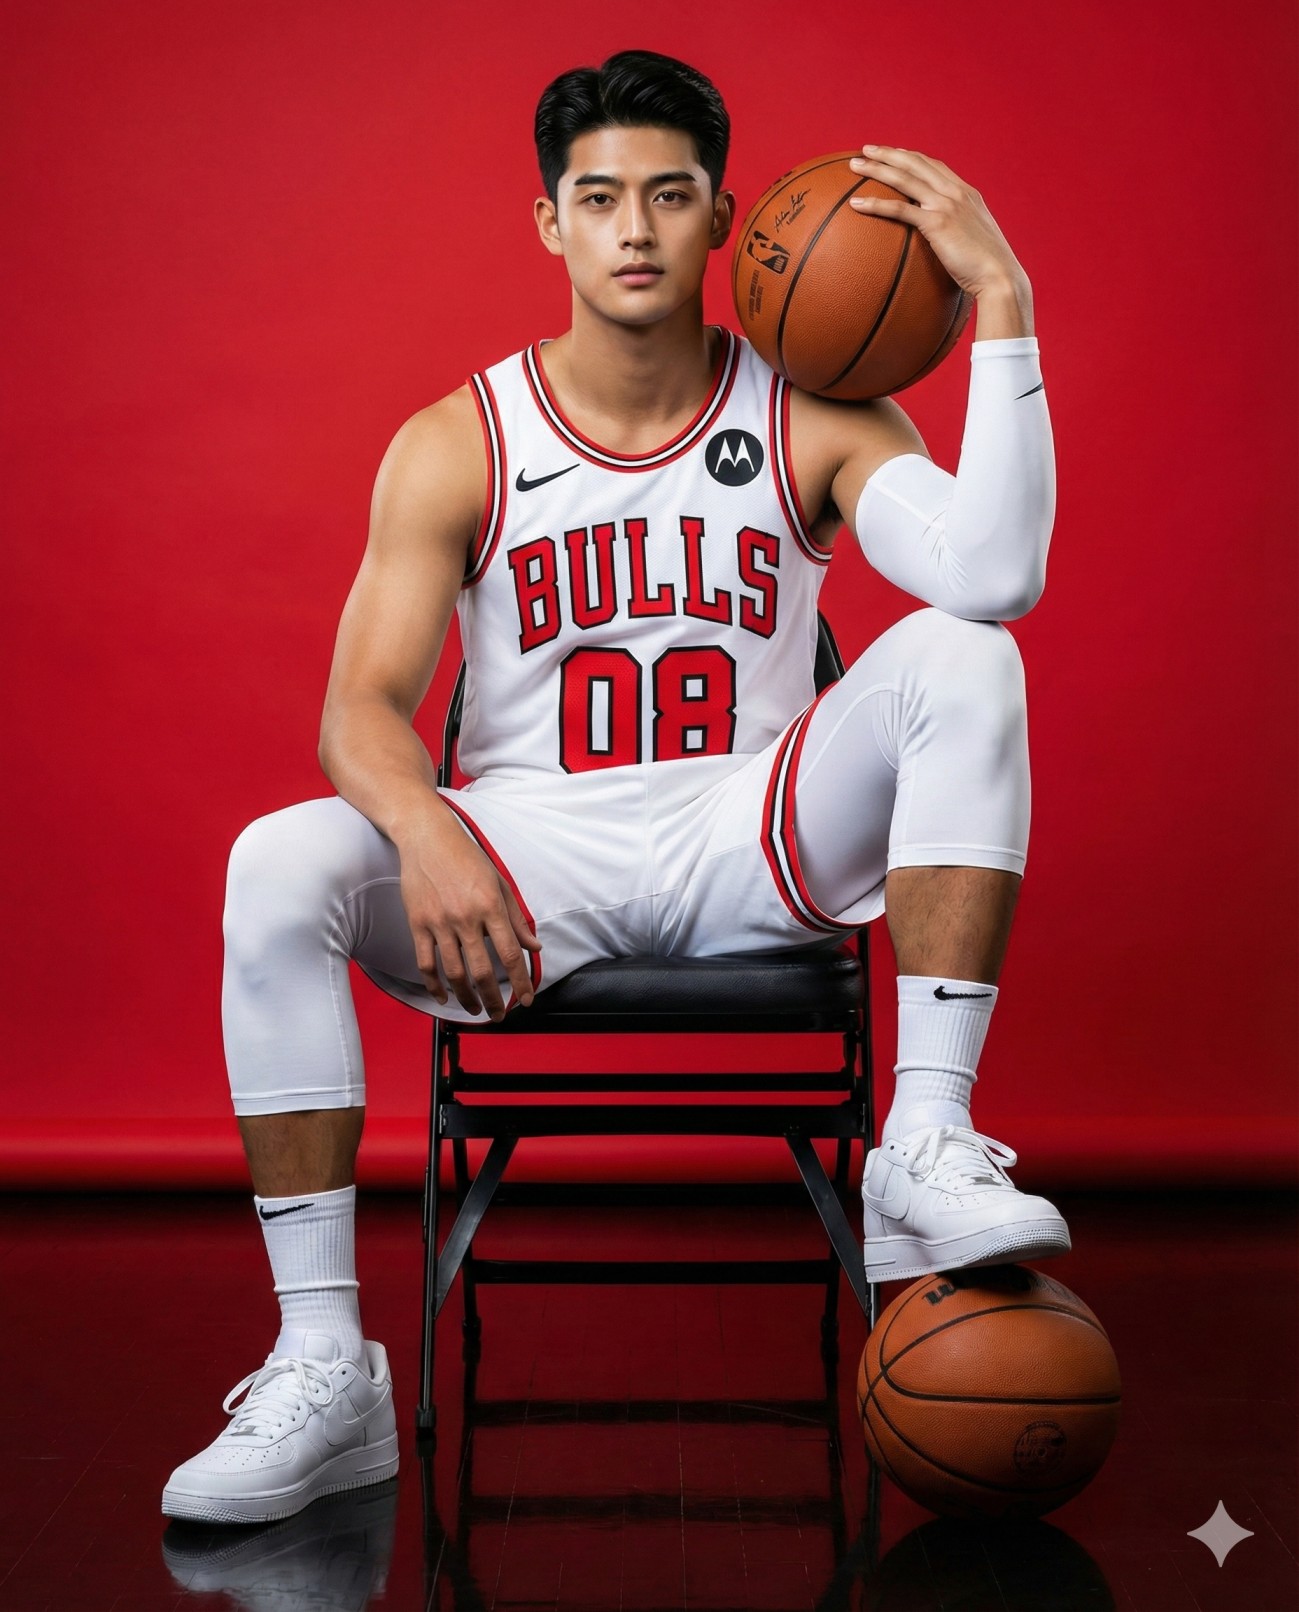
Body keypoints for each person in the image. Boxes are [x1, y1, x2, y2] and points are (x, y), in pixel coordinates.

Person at [163, 48, 1067, 1525]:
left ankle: (922, 1141)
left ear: (726, 218)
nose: (634, 229)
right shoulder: (460, 440)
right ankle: (324, 1363)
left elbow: (1000, 573)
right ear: (550, 223)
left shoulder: (818, 412)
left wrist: (1005, 302)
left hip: (752, 831)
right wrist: (427, 828)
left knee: (968, 652)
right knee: (275, 859)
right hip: (528, 862)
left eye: (669, 195)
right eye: (598, 199)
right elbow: (357, 710)